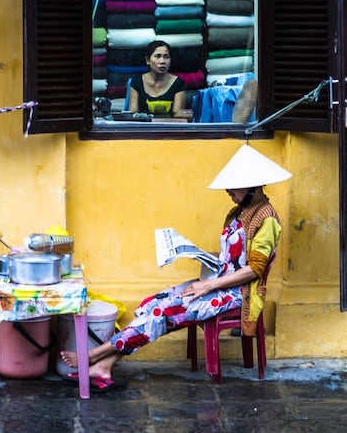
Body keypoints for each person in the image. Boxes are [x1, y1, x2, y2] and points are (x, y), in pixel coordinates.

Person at [60, 144, 291, 392]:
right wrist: (201, 255)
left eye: (233, 187)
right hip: (218, 284)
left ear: (252, 186)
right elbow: (233, 257)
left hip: (238, 294)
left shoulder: (266, 219)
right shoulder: (239, 211)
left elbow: (254, 269)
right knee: (153, 302)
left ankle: (95, 355)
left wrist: (208, 285)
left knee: (162, 314)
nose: (228, 192)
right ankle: (104, 365)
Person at [128, 40, 186, 116]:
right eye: (157, 56)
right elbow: (133, 115)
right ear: (147, 60)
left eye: (166, 57)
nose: (162, 61)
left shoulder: (178, 83)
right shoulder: (137, 82)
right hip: (143, 127)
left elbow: (178, 117)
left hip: (169, 127)